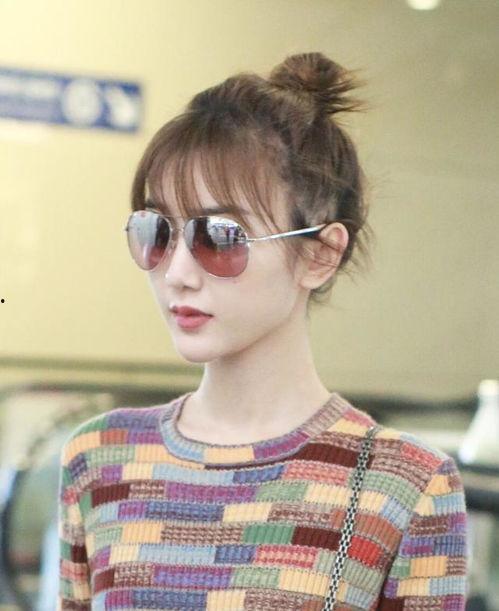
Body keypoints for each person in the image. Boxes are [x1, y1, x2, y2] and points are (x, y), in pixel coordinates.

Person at [57, 52, 468, 610]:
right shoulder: (101, 457)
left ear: (320, 255)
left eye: (219, 237)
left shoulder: (405, 484)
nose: (177, 273)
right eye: (157, 231)